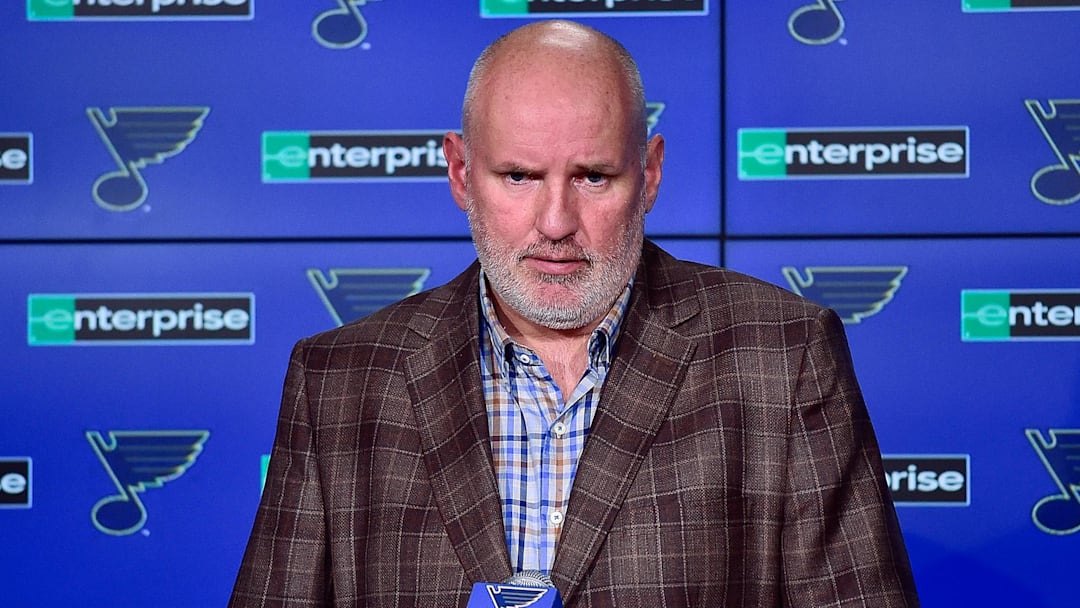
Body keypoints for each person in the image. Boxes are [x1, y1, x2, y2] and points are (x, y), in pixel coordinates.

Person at [230, 19, 919, 607]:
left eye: (593, 176)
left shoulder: (782, 355)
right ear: (461, 175)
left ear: (648, 175)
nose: (556, 222)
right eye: (519, 176)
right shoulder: (337, 381)